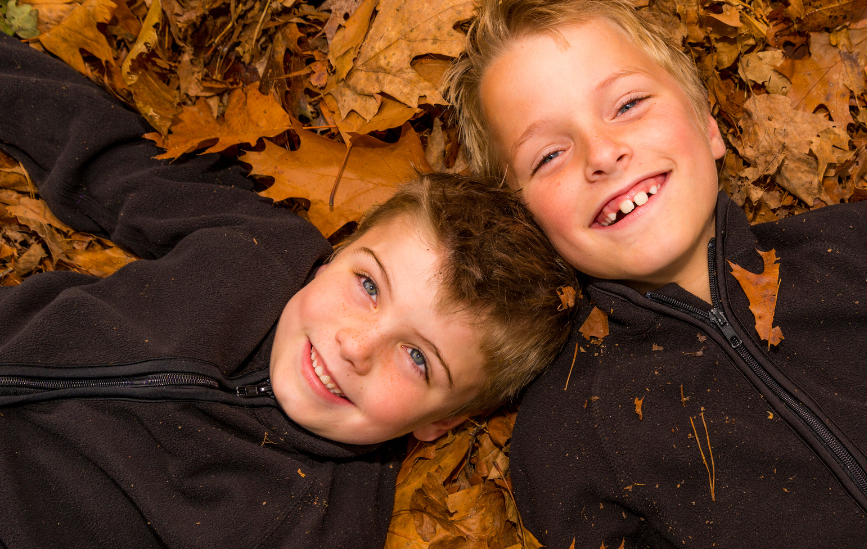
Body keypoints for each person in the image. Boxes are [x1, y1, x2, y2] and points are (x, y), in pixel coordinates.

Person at [443, 0, 867, 547]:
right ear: (524, 221)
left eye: (628, 105)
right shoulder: (568, 437)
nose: (602, 154)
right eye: (548, 155)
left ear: (707, 123)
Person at [0, 32, 577, 548]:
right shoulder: (258, 247)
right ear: (336, 254)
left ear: (442, 422)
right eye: (369, 285)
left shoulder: (313, 525)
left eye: (417, 358)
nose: (356, 345)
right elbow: (110, 159)